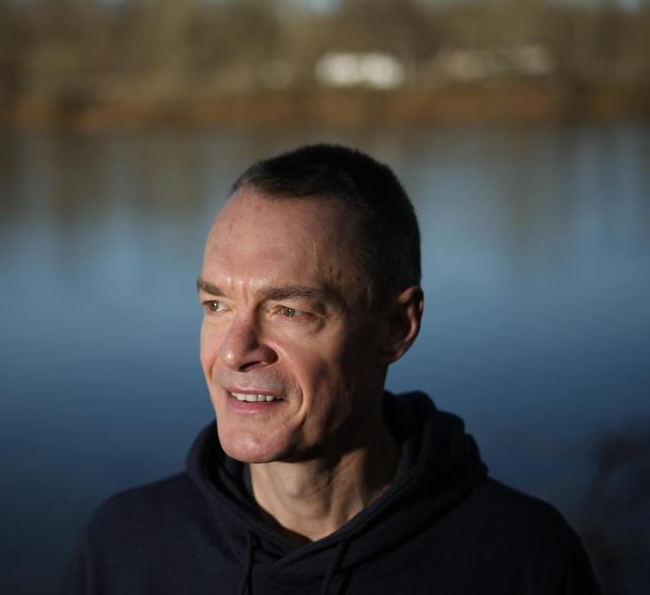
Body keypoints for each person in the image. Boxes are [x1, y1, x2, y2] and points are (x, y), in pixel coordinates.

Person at [66, 144, 600, 594]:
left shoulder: (521, 561)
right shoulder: (125, 545)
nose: (234, 352)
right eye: (216, 306)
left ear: (396, 327)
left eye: (289, 311)